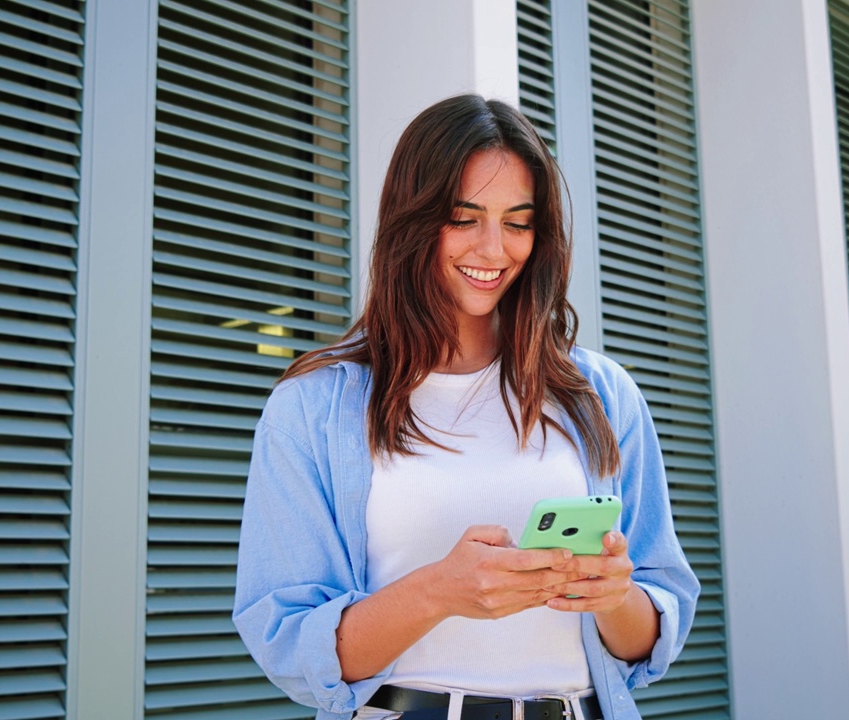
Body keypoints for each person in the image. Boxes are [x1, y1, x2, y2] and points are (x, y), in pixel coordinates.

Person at [232, 94, 698, 720]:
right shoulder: (314, 407)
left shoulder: (600, 394)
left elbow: (648, 637)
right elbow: (292, 647)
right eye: (464, 216)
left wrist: (612, 594)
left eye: (518, 222)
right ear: (413, 218)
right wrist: (438, 591)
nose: (493, 249)